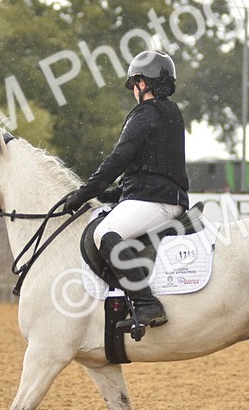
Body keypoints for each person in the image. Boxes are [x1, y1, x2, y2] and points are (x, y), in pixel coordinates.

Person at [62, 50, 189, 329]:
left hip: (156, 201)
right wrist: (113, 194)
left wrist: (82, 193)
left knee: (106, 235)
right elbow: (153, 166)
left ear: (143, 83)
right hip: (164, 196)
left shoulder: (145, 113)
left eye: (135, 84)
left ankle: (146, 304)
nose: (134, 90)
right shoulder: (171, 112)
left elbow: (118, 160)